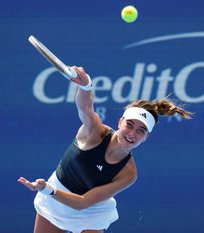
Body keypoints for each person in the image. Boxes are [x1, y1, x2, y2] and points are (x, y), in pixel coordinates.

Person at [18, 66, 192, 233]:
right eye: (129, 125)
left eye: (141, 131)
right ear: (119, 121)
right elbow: (85, 107)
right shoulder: (95, 132)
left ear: (146, 138)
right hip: (56, 193)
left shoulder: (128, 174)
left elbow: (83, 202)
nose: (132, 133)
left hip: (90, 209)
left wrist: (46, 189)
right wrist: (85, 86)